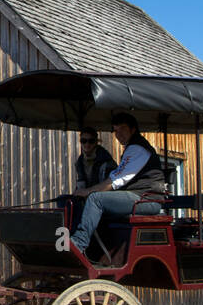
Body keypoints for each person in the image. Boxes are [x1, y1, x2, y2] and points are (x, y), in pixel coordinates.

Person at [71, 111, 167, 258]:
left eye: (122, 129)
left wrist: (87, 191)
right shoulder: (132, 148)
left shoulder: (137, 148)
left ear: (133, 129)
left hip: (147, 200)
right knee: (83, 201)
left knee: (96, 199)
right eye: (115, 130)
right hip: (138, 197)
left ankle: (78, 243)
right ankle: (93, 248)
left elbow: (115, 181)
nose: (118, 134)